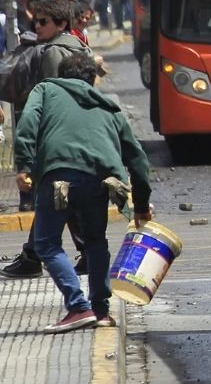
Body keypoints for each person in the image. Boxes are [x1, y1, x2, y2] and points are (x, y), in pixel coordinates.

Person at [15, 53, 153, 332]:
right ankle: (101, 311)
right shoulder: (109, 107)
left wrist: (24, 165)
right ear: (93, 78)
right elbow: (137, 158)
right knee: (95, 241)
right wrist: (141, 205)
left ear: (63, 74)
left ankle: (79, 307)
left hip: (58, 178)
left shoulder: (45, 89)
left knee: (47, 244)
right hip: (99, 181)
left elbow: (28, 123)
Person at [0, 0, 94, 278]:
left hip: (56, 134)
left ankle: (36, 256)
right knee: (56, 196)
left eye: (43, 22)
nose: (37, 27)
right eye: (36, 22)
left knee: (53, 195)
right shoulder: (79, 47)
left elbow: (53, 96)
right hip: (75, 131)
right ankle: (69, 252)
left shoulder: (53, 53)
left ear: (61, 24)